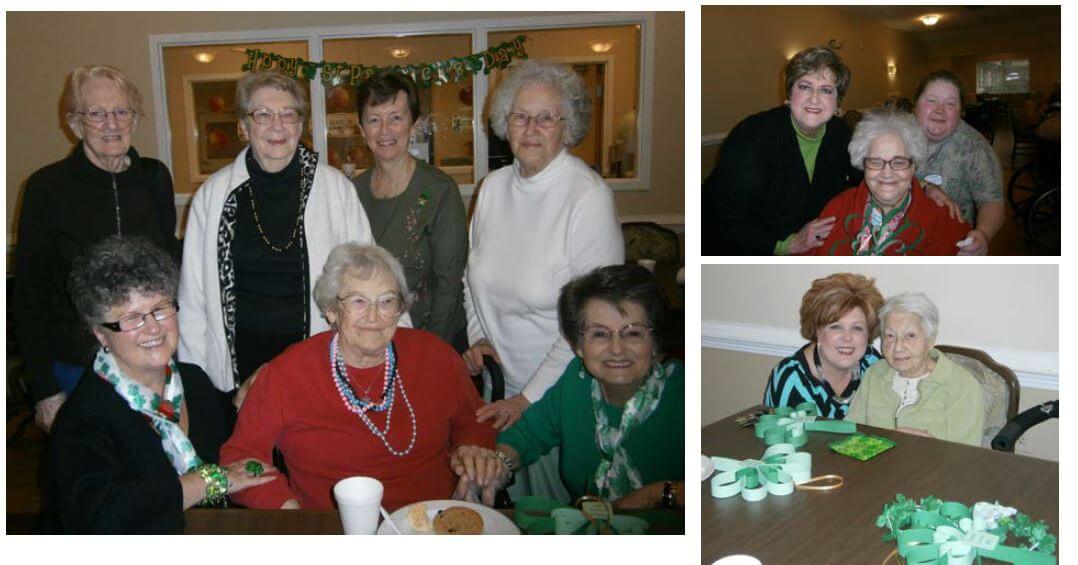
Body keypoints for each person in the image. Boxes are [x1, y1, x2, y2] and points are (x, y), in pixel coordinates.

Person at [220, 244, 496, 511]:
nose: (374, 316)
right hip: (331, 529)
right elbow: (242, 458)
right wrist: (286, 507)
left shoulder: (436, 358)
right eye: (358, 301)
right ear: (331, 310)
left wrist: (472, 453)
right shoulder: (287, 373)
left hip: (430, 523)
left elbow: (476, 425)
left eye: (387, 301)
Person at [463, 59, 624, 501]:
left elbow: (594, 322)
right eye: (520, 116)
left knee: (556, 515)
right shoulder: (492, 189)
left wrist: (528, 399)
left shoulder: (587, 197)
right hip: (500, 388)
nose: (531, 128)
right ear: (504, 123)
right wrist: (479, 336)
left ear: (567, 125)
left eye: (546, 117)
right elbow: (470, 274)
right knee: (508, 508)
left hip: (561, 393)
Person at [47, 237, 273, 533]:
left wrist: (242, 399)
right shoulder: (84, 419)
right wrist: (209, 482)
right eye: (132, 318)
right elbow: (99, 515)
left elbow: (220, 425)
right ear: (101, 334)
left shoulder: (192, 380)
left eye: (160, 308)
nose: (153, 327)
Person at [178, 70, 375, 395]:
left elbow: (367, 279)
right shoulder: (212, 196)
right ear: (243, 126)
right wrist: (198, 386)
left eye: (288, 114)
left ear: (301, 124)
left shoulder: (336, 189)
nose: (277, 125)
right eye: (263, 115)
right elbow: (193, 299)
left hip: (318, 365)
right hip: (235, 369)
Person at [16, 64, 180, 433]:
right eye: (96, 114)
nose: (112, 124)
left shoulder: (154, 178)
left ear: (135, 118)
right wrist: (45, 389)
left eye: (122, 111)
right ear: (75, 123)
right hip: (79, 367)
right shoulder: (48, 188)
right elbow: (30, 294)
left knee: (158, 467)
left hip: (150, 359)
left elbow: (169, 268)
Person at [452, 265, 684, 510]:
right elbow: (527, 435)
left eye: (633, 333)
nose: (617, 348)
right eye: (599, 334)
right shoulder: (578, 380)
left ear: (655, 342)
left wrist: (656, 494)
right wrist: (494, 468)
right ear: (578, 345)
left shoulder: (683, 394)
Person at [704, 46, 859, 255]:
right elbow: (726, 217)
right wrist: (787, 245)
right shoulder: (751, 136)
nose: (814, 98)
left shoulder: (840, 134)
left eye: (826, 90)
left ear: (837, 102)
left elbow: (859, 178)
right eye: (805, 86)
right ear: (789, 94)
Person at [352, 70, 467, 351]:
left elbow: (448, 286)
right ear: (361, 128)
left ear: (413, 124)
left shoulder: (439, 190)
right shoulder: (352, 192)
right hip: (369, 341)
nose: (385, 131)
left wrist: (431, 351)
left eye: (395, 118)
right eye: (374, 120)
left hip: (430, 341)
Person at [805, 110, 970, 255]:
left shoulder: (945, 220)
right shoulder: (838, 209)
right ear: (863, 164)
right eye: (876, 162)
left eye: (899, 162)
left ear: (913, 166)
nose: (887, 173)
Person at [846, 292, 985, 446]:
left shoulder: (961, 386)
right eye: (890, 336)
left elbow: (967, 457)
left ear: (930, 340)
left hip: (935, 469)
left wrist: (931, 446)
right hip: (874, 468)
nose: (898, 347)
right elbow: (851, 432)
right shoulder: (875, 374)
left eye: (910, 336)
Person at [763, 273, 884, 418]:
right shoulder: (791, 379)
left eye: (857, 328)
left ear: (868, 333)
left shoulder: (872, 363)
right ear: (818, 330)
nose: (847, 337)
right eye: (835, 327)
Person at [913, 70, 1005, 255]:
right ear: (915, 105)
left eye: (950, 103)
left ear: (960, 111)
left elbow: (991, 200)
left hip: (952, 245)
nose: (940, 109)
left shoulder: (975, 148)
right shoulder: (893, 135)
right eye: (931, 100)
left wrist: (983, 234)